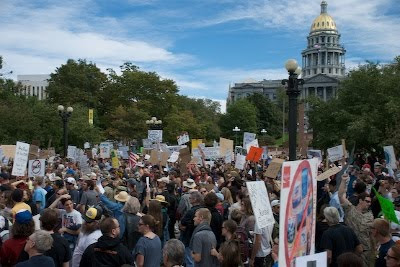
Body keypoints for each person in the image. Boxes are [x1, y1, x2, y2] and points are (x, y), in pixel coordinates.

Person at [339, 173, 374, 267]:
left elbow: (372, 235)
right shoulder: (350, 209)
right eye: (367, 201)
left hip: (366, 251)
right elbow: (340, 196)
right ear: (360, 200)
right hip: (350, 250)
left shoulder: (370, 216)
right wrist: (343, 181)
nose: (369, 204)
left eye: (370, 202)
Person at [180, 191, 203, 267]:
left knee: (190, 260)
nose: (189, 199)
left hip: (189, 238)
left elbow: (183, 222)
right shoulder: (203, 210)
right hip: (200, 238)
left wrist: (184, 226)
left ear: (195, 199)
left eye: (190, 198)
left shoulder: (191, 211)